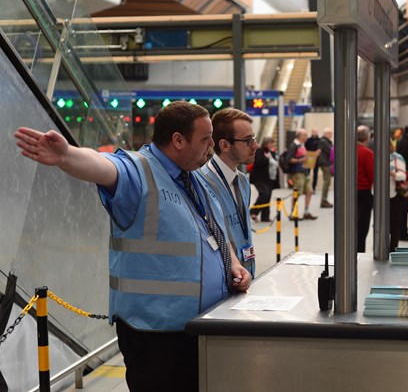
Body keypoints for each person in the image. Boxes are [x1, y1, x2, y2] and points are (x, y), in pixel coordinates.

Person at [14, 101, 251, 391]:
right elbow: (104, 167)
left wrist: (233, 265)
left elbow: (212, 232)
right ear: (178, 140)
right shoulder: (139, 171)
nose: (211, 146)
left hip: (197, 328)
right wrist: (67, 156)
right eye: (204, 139)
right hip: (156, 336)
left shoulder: (193, 180)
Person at [200, 108, 258, 277]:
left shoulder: (242, 182)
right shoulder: (201, 184)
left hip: (245, 276)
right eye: (248, 140)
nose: (255, 145)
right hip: (222, 283)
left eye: (254, 138)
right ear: (224, 145)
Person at [286, 128, 317, 220]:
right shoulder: (294, 145)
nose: (307, 137)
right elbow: (288, 159)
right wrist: (300, 160)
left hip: (305, 172)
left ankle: (306, 212)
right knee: (297, 193)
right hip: (297, 173)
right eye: (305, 135)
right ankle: (293, 213)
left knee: (309, 191)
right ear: (300, 136)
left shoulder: (302, 145)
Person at [250, 137, 278, 222]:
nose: (272, 145)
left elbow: (275, 163)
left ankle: (265, 217)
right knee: (264, 194)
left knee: (268, 196)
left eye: (272, 143)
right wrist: (266, 158)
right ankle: (253, 211)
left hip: (269, 178)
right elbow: (257, 163)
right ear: (266, 143)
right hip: (259, 178)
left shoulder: (271, 152)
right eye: (270, 143)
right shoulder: (260, 151)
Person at [356, 125, 375, 253]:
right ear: (367, 138)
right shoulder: (367, 153)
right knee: (362, 227)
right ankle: (359, 252)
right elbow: (373, 175)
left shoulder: (347, 150)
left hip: (349, 192)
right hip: (363, 193)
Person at [389, 139, 407, 251]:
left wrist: (390, 173)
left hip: (394, 195)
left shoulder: (397, 158)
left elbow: (402, 176)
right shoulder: (376, 156)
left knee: (394, 226)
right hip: (379, 196)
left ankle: (392, 250)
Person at [317, 127, 334, 208]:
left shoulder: (326, 141)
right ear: (325, 134)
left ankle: (324, 200)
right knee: (327, 182)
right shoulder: (323, 141)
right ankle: (323, 200)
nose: (331, 135)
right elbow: (331, 151)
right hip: (325, 164)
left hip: (327, 163)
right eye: (329, 133)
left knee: (327, 182)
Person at [305, 127, 321, 192]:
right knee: (307, 173)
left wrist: (317, 152)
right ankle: (307, 188)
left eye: (316, 132)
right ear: (312, 132)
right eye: (313, 132)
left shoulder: (319, 140)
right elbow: (306, 148)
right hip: (309, 158)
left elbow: (319, 149)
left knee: (315, 174)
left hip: (316, 159)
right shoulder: (308, 140)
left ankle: (313, 188)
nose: (314, 133)